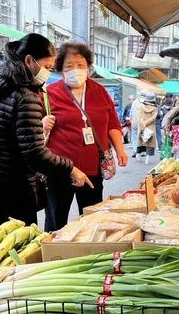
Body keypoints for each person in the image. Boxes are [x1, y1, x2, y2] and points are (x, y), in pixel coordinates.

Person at [0, 34, 92, 226]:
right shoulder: (25, 95)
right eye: (47, 67)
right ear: (28, 60)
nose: (48, 73)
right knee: (16, 251)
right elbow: (35, 154)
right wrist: (71, 168)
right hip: (13, 191)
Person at [44, 42, 127, 231]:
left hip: (92, 169)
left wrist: (120, 149)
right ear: (61, 69)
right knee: (56, 221)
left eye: (80, 65)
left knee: (91, 220)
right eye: (69, 66)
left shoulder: (100, 91)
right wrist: (43, 125)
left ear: (88, 66)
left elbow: (113, 123)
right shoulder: (49, 93)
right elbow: (36, 127)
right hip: (60, 169)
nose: (75, 70)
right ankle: (54, 254)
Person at [136, 92, 158, 164]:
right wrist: (146, 123)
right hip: (150, 126)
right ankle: (147, 159)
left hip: (142, 126)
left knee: (141, 140)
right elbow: (153, 118)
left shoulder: (141, 106)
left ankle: (138, 155)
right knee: (149, 143)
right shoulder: (155, 107)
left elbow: (139, 116)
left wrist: (143, 124)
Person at [129, 91, 144, 157]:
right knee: (141, 136)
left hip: (134, 122)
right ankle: (142, 151)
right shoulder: (144, 102)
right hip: (141, 122)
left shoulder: (135, 102)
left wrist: (131, 119)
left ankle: (135, 150)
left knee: (134, 136)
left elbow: (131, 112)